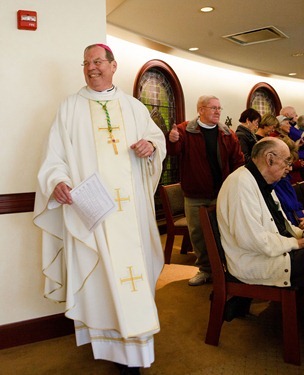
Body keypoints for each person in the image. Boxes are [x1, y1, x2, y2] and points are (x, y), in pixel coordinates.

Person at [33, 43, 166, 375]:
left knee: (135, 278)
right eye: (86, 63)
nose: (92, 67)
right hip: (94, 216)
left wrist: (150, 145)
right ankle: (111, 346)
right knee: (101, 281)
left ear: (113, 65)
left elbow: (157, 140)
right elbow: (55, 157)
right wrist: (58, 181)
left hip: (131, 216)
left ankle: (135, 350)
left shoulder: (134, 107)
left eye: (98, 62)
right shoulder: (69, 109)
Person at [166, 95, 244, 286]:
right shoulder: (185, 130)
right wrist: (172, 140)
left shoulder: (227, 133)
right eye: (213, 108)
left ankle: (229, 269)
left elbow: (238, 161)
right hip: (195, 194)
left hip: (222, 193)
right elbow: (174, 152)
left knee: (225, 232)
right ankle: (205, 270)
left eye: (219, 108)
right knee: (198, 234)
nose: (218, 111)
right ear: (200, 109)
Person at [217, 137, 304, 290]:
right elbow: (251, 239)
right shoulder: (240, 184)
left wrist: (299, 234)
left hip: (272, 253)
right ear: (270, 159)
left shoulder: (261, 181)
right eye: (287, 162)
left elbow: (281, 224)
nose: (289, 168)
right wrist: (295, 243)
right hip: (255, 262)